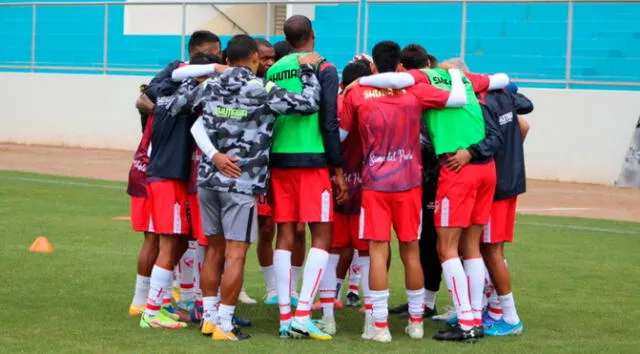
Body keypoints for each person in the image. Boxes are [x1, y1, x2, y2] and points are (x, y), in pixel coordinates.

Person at [172, 34, 324, 340]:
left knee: (214, 251)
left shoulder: (209, 85)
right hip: (241, 184)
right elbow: (309, 104)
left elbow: (175, 106)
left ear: (226, 60)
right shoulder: (262, 88)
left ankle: (210, 316)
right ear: (255, 58)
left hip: (207, 180)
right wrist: (308, 70)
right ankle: (224, 323)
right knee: (237, 253)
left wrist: (200, 74)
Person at [357, 58, 510, 342]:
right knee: (471, 247)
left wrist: (360, 80)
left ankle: (466, 323)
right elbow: (503, 78)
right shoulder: (466, 79)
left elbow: (394, 81)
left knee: (446, 248)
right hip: (485, 168)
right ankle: (474, 317)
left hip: (456, 166)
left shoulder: (421, 79)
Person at [341, 40, 469, 342]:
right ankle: (415, 324)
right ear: (400, 66)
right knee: (411, 252)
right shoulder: (414, 90)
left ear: (373, 66)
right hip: (409, 184)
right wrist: (452, 74)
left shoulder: (357, 92)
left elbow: (342, 134)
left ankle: (380, 326)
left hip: (374, 184)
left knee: (377, 252)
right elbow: (458, 100)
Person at [266, 15, 347, 340]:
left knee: (285, 233)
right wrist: (338, 168)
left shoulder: (273, 70)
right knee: (322, 236)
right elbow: (328, 118)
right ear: (312, 35)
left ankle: (286, 317)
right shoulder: (323, 67)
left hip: (280, 160)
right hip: (312, 160)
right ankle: (303, 315)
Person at [132, 30, 222, 313]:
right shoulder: (184, 96)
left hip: (171, 176)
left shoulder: (164, 94)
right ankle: (151, 309)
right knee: (166, 243)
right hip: (165, 176)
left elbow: (147, 98)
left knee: (176, 241)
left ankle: (159, 304)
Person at [315, 61, 372, 336]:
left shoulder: (332, 105)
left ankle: (328, 317)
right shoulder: (373, 105)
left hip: (334, 186)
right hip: (367, 189)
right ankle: (374, 318)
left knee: (331, 250)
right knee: (371, 251)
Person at [252, 38, 308, 307]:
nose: (269, 63)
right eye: (265, 59)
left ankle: (292, 288)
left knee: (298, 228)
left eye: (272, 58)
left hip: (291, 165)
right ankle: (272, 287)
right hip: (264, 169)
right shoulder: (255, 88)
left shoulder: (291, 85)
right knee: (265, 229)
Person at [477, 84, 533, 336]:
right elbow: (524, 125)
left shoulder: (484, 103)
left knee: (491, 251)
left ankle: (510, 318)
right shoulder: (505, 99)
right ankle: (494, 310)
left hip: (496, 188)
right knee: (491, 249)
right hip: (509, 182)